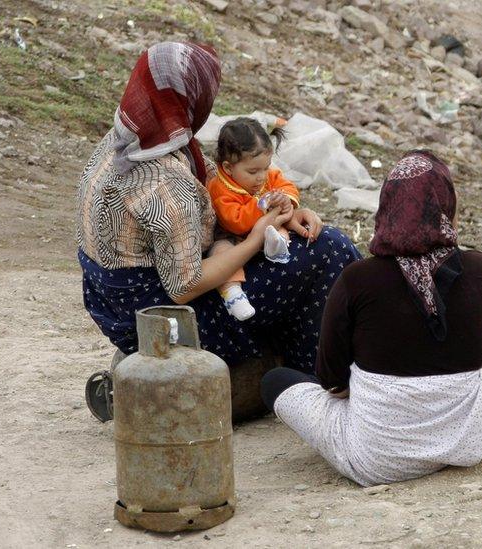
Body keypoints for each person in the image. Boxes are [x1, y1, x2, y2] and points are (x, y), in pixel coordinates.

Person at [76, 42, 360, 422]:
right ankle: (322, 376)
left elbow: (220, 184)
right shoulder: (165, 181)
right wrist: (259, 236)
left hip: (118, 308)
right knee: (329, 248)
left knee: (299, 244)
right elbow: (184, 286)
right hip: (169, 318)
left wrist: (284, 209)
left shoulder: (127, 143)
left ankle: (297, 363)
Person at [260, 151, 482, 487]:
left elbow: (332, 381)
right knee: (472, 352)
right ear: (448, 209)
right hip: (473, 438)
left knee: (275, 381)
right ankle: (479, 409)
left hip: (381, 461)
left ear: (387, 210)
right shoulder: (479, 268)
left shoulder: (357, 279)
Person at [207, 117, 307, 321]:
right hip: (232, 238)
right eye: (253, 171)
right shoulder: (219, 188)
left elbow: (287, 186)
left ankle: (275, 246)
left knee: (278, 229)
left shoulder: (266, 175)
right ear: (228, 168)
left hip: (265, 230)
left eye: (265, 168)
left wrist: (285, 199)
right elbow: (235, 220)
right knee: (220, 254)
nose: (262, 177)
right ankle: (232, 294)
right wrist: (263, 204)